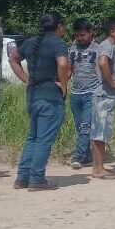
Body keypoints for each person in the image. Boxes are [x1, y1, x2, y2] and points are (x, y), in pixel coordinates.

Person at [10, 12, 70, 191]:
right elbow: (62, 63)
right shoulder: (58, 43)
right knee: (44, 140)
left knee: (33, 138)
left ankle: (22, 178)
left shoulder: (30, 42)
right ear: (59, 26)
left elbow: (13, 59)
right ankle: (36, 179)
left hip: (33, 95)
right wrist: (64, 85)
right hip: (50, 96)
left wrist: (26, 79)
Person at [89, 17, 115, 179]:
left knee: (101, 132)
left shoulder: (107, 46)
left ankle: (99, 167)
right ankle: (98, 169)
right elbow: (103, 62)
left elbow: (95, 64)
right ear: (113, 32)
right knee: (100, 132)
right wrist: (111, 82)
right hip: (105, 95)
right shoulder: (108, 46)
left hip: (104, 94)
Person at [67, 18, 100, 169]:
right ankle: (87, 155)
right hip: (76, 93)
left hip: (91, 93)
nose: (80, 38)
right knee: (80, 126)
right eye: (77, 35)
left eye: (82, 35)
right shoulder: (73, 49)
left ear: (90, 33)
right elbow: (68, 69)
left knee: (86, 126)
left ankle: (79, 155)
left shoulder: (98, 49)